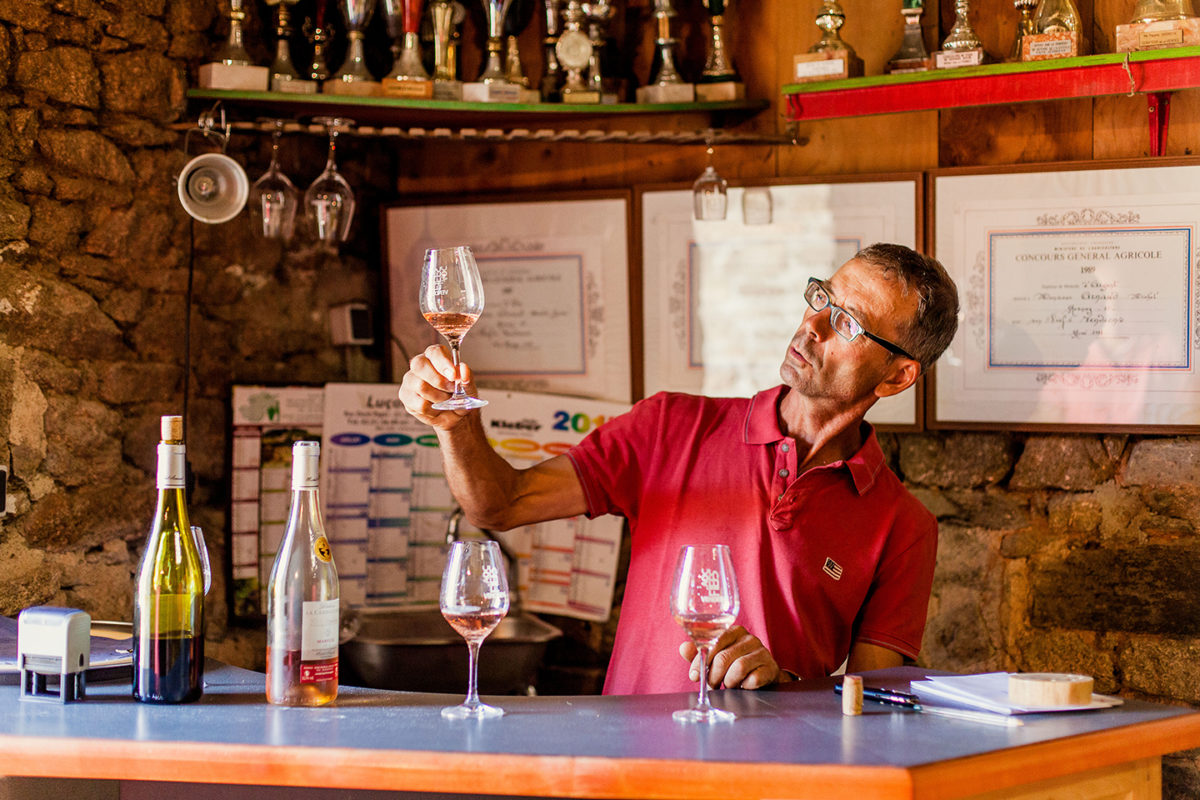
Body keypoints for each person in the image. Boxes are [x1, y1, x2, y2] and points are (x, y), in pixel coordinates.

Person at [399, 243, 960, 695]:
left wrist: (782, 683)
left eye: (848, 324)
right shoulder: (669, 425)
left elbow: (874, 707)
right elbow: (499, 503)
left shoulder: (905, 527)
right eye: (821, 298)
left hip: (777, 786)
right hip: (628, 777)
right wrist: (455, 425)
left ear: (896, 378)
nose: (813, 325)